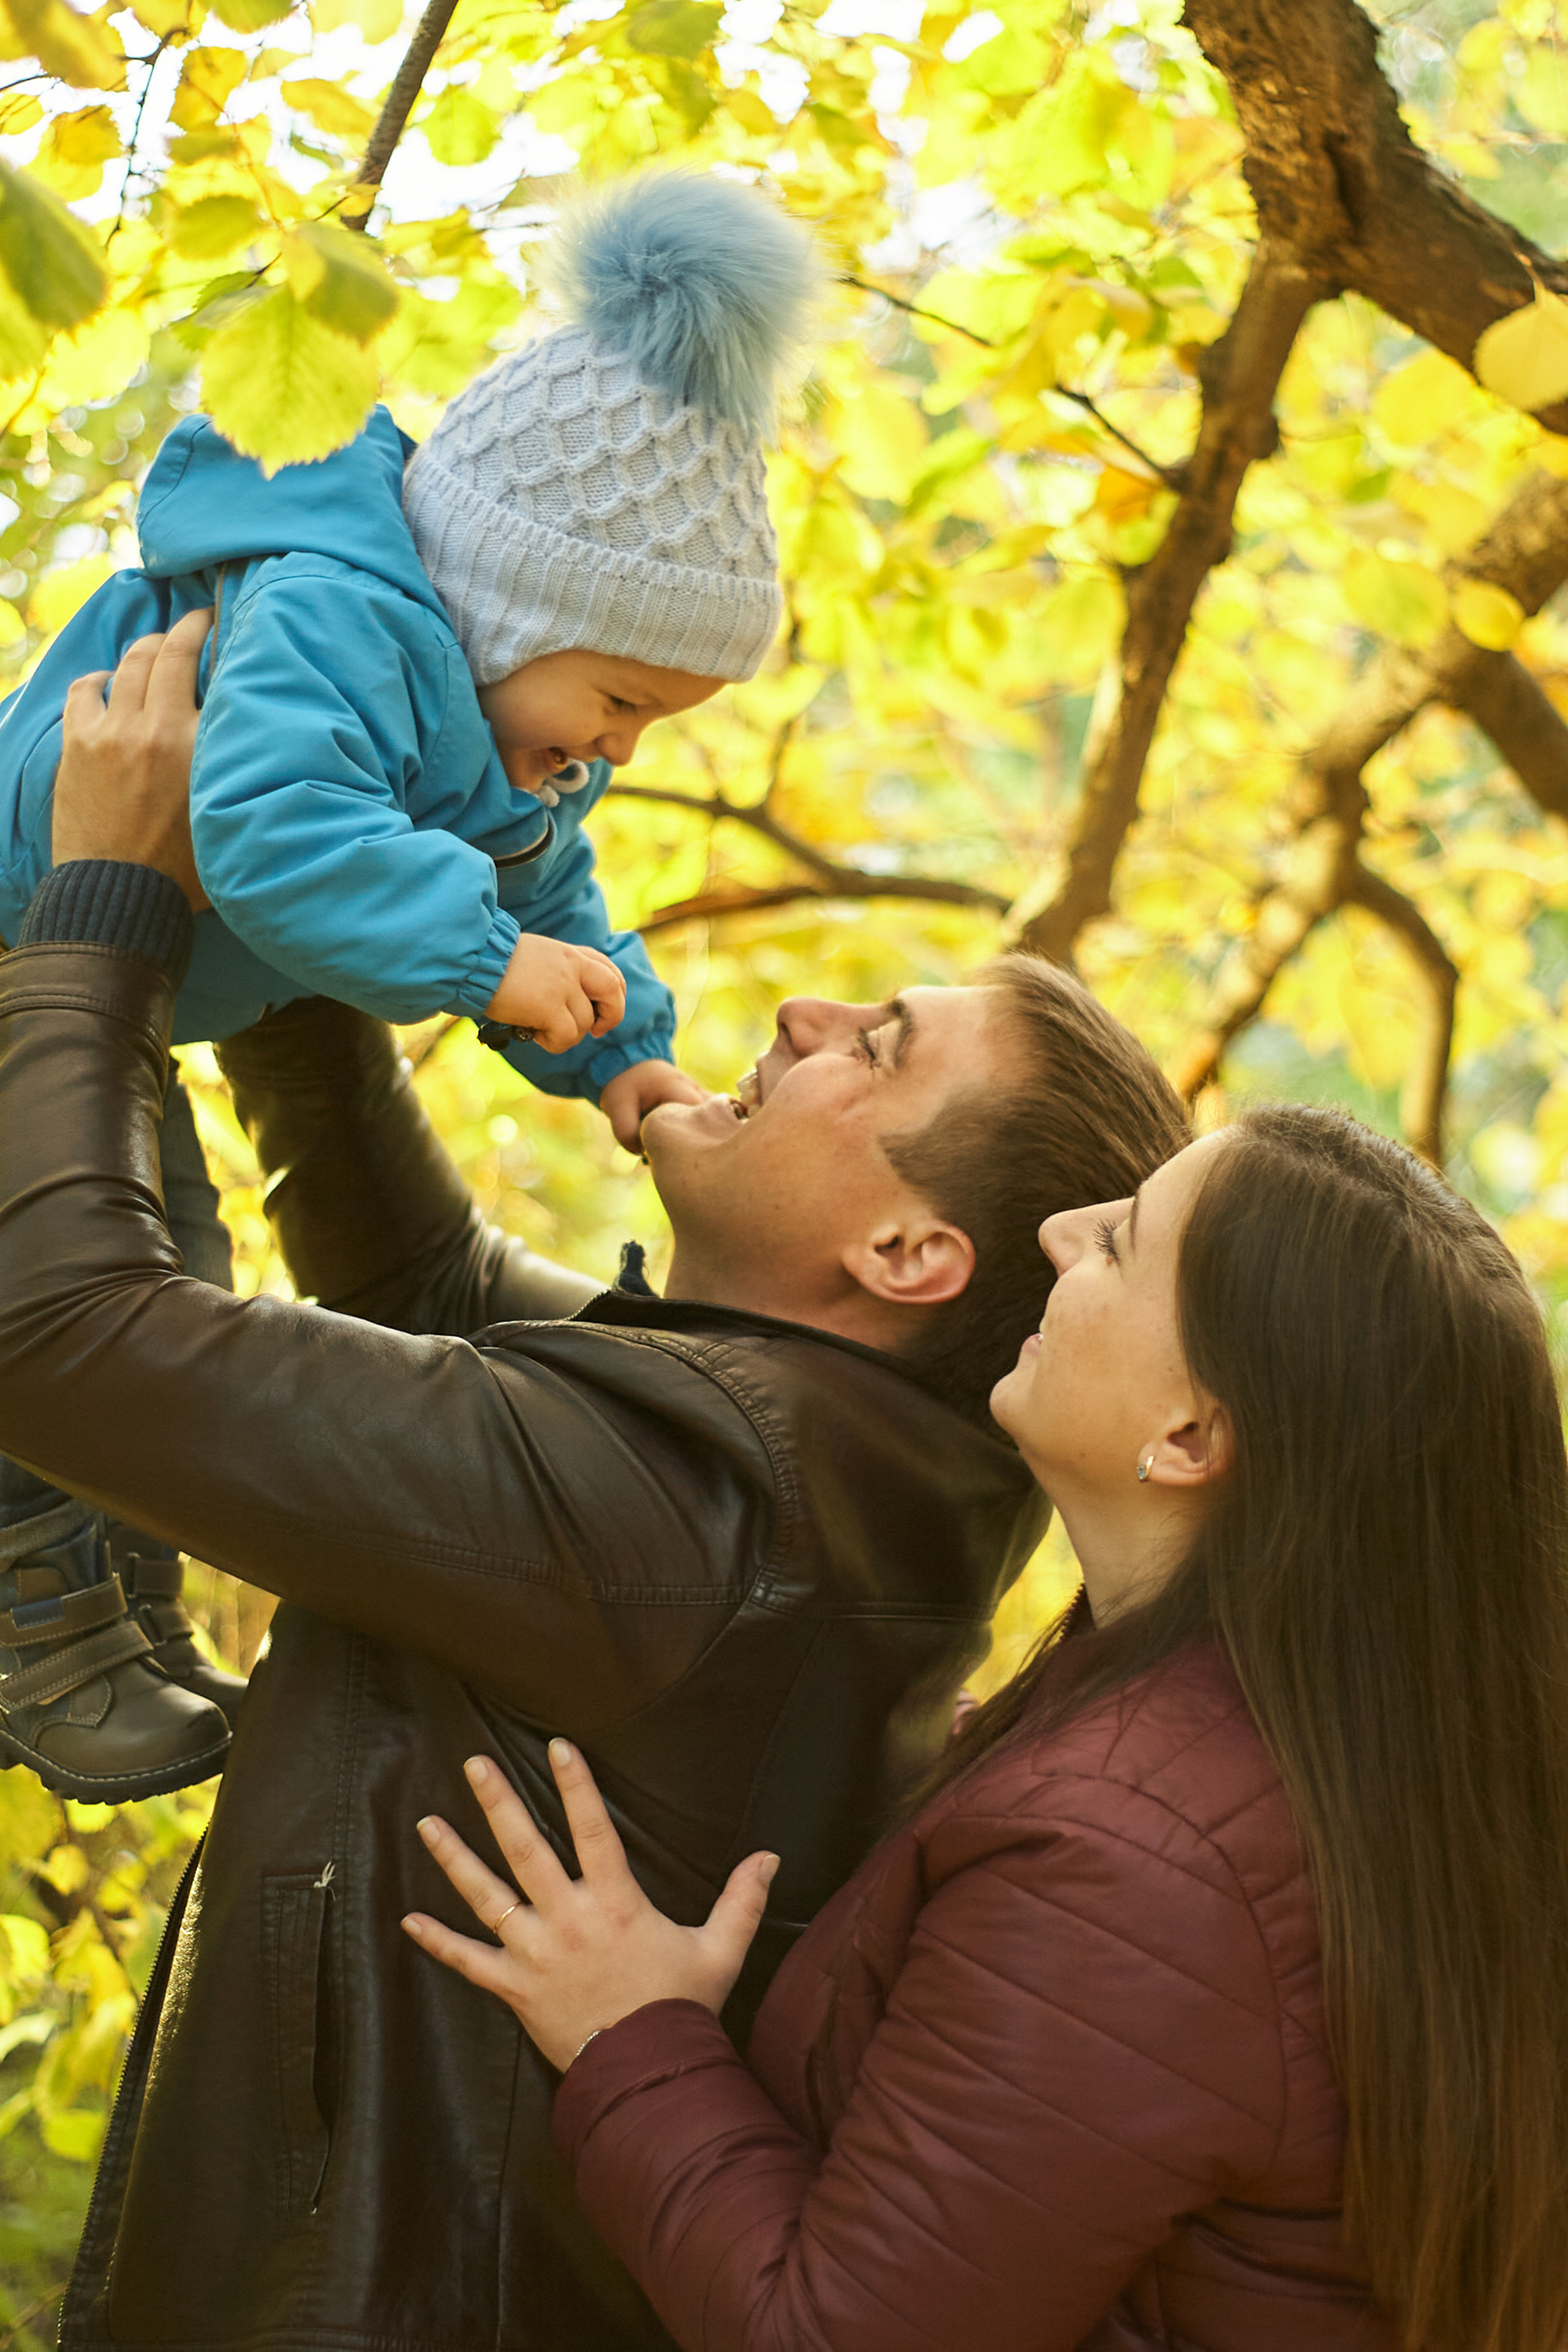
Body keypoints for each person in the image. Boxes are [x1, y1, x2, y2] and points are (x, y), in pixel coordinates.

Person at [0, 619, 1191, 2351]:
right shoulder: (829, 1457)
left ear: (905, 1252)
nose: (803, 1013)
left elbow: (56, 1331)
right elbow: (421, 1286)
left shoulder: (697, 1508)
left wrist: (106, 899)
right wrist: (307, 863)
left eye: (875, 1047)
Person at [412, 1111, 1568, 2352]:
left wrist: (629, 2035)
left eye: (1120, 1242)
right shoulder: (1291, 1752)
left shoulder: (1132, 1868)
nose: (1060, 1233)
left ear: (1188, 1437)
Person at [0, 169, 820, 1800]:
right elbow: (268, 835)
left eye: (651, 724)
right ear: (512, 606)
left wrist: (623, 1052)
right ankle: (38, 1624)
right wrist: (488, 966)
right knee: (63, 1291)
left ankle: (124, 1599)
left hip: (118, 1000)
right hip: (31, 954)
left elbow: (546, 888)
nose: (618, 747)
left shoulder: (499, 733)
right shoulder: (341, 617)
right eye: (620, 699)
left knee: (171, 1267)